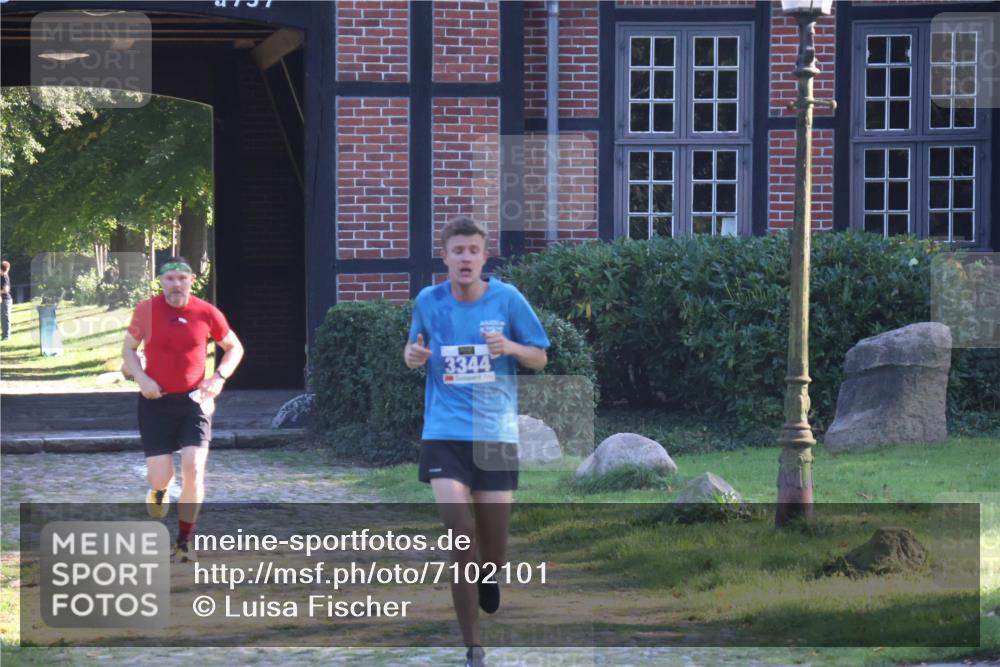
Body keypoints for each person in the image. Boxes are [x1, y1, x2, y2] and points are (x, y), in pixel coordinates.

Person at [403, 217, 550, 667]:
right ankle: (473, 646)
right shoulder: (429, 300)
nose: (465, 257)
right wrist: (412, 356)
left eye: (473, 250)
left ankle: (492, 573)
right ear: (444, 257)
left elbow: (540, 357)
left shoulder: (508, 299)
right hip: (444, 433)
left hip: (495, 435)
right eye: (457, 250)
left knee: (494, 548)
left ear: (484, 257)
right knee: (458, 534)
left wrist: (510, 347)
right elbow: (413, 352)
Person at [122, 257, 243, 563]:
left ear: (192, 280)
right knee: (161, 477)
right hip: (155, 402)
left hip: (194, 402)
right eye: (170, 279)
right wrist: (142, 376)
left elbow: (234, 347)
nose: (176, 284)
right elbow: (128, 350)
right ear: (160, 282)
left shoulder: (206, 312)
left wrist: (218, 378)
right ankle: (159, 491)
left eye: (181, 278)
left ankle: (184, 540)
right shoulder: (146, 310)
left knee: (194, 468)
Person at [1, 260, 12, 340]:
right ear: (7, 268)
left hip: (6, 300)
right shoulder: (2, 276)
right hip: (3, 300)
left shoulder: (4, 277)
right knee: (3, 318)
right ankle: (4, 336)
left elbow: (6, 290)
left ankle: (6, 336)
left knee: (5, 318)